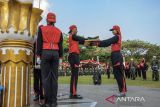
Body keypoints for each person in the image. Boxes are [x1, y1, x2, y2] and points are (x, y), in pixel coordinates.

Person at [36, 12, 63, 107]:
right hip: (55, 53)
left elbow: (39, 43)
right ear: (54, 21)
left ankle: (47, 102)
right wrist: (60, 57)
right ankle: (54, 102)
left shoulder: (42, 29)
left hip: (45, 53)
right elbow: (60, 45)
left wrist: (38, 56)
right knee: (54, 79)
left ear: (47, 20)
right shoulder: (59, 31)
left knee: (46, 78)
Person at [92, 25, 127, 97]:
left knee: (119, 74)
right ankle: (121, 91)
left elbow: (107, 42)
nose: (112, 31)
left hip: (117, 56)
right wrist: (98, 44)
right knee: (117, 74)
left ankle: (122, 92)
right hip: (114, 56)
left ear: (117, 30)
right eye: (112, 30)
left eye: (113, 30)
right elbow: (107, 43)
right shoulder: (116, 37)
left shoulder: (117, 36)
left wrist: (98, 43)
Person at [68, 25, 98, 99]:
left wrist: (91, 42)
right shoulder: (73, 36)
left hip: (73, 56)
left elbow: (83, 41)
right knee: (75, 76)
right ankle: (73, 94)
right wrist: (90, 39)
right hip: (74, 56)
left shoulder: (74, 38)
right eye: (76, 29)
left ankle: (73, 92)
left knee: (74, 75)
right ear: (72, 30)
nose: (77, 30)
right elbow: (81, 39)